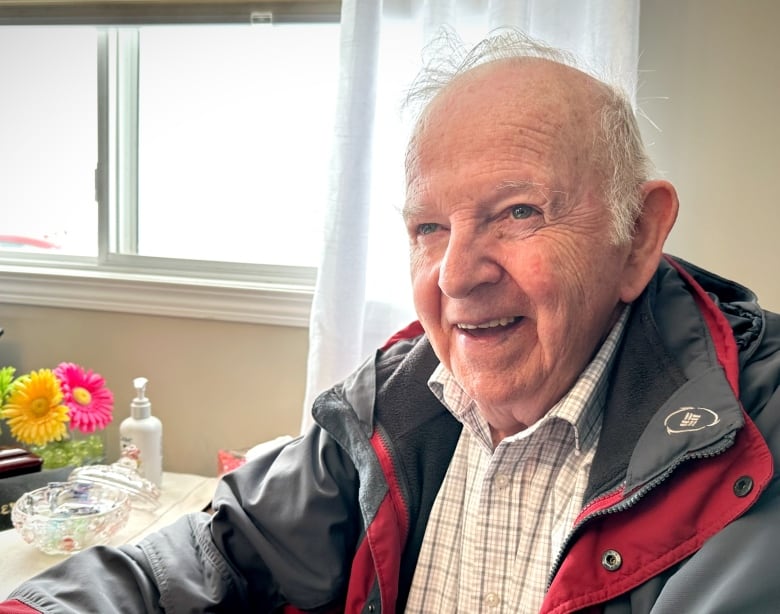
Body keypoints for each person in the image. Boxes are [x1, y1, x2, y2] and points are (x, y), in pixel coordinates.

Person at [3, 27, 780, 614]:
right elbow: (214, 552)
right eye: (428, 229)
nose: (456, 275)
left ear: (637, 234)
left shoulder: (756, 432)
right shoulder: (401, 399)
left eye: (517, 211)